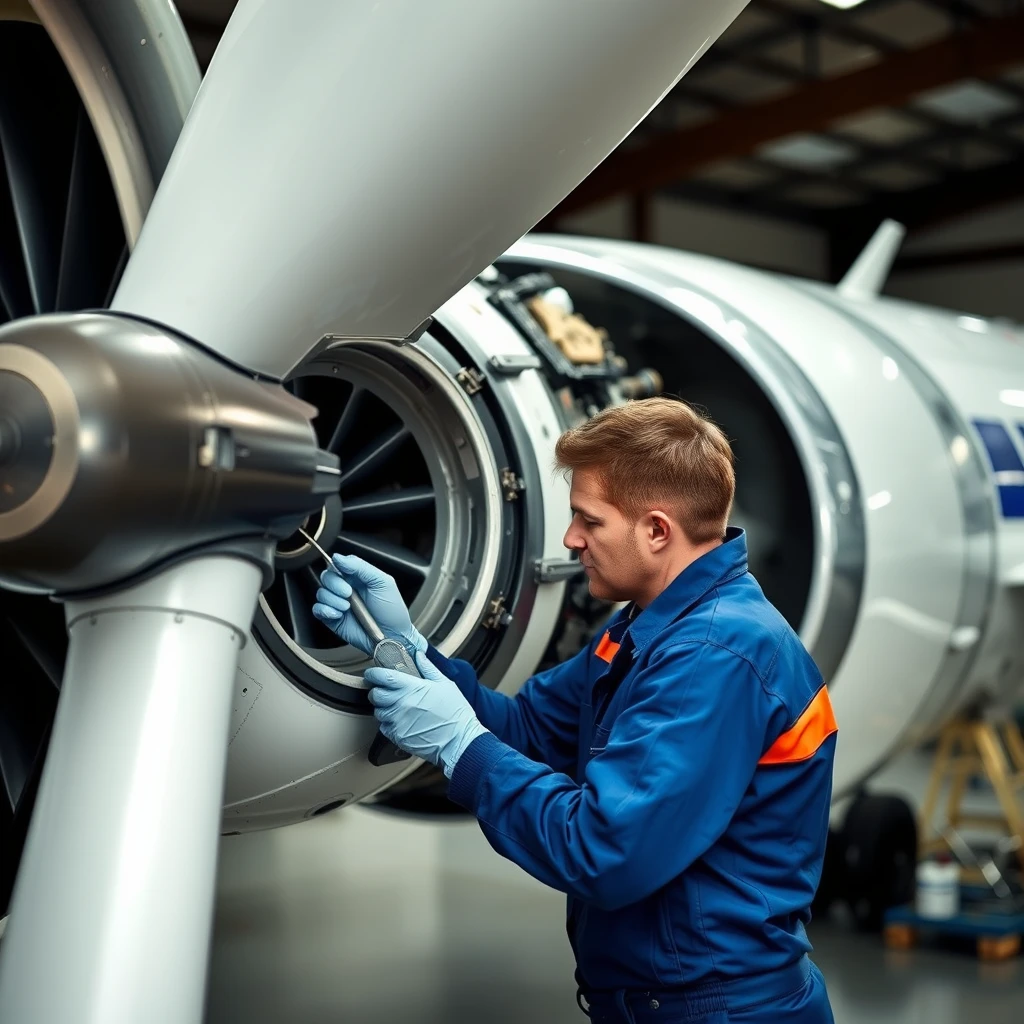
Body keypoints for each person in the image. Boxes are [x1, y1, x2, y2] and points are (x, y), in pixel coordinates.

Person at [313, 396, 836, 1023]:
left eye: (589, 521)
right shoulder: (650, 627)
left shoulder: (714, 654)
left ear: (657, 531)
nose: (571, 539)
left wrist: (458, 746)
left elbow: (604, 851)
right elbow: (531, 729)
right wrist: (408, 651)